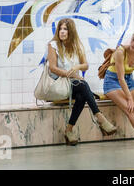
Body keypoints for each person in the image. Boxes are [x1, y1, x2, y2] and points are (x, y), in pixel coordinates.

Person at [47, 18, 117, 146]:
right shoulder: (53, 46)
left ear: (71, 31)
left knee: (81, 95)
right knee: (82, 85)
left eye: (65, 29)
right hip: (58, 86)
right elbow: (52, 68)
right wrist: (71, 74)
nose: (62, 32)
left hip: (73, 86)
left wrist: (77, 68)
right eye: (60, 29)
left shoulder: (77, 46)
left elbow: (85, 65)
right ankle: (100, 118)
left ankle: (69, 130)